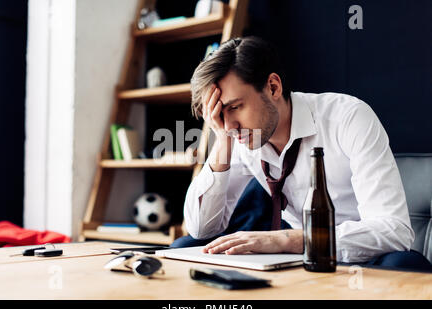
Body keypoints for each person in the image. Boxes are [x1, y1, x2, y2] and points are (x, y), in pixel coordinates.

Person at [175, 36, 431, 270]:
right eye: (219, 115)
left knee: (405, 263)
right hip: (298, 255)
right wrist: (221, 140)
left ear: (273, 87)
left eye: (235, 107)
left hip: (358, 256)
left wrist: (287, 239)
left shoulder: (348, 118)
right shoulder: (240, 137)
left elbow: (393, 231)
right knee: (183, 247)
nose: (229, 124)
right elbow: (201, 228)